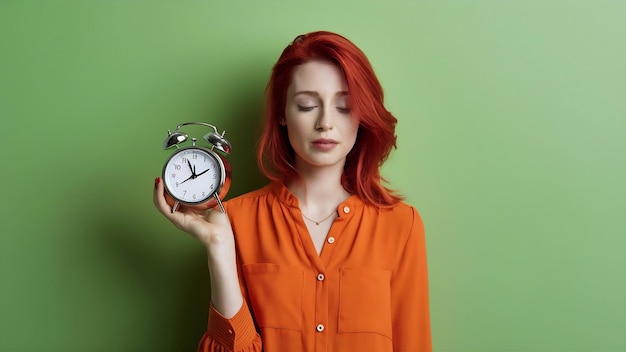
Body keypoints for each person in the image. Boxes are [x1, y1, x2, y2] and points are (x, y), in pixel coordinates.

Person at [153, 30, 431, 352]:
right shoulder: (235, 221)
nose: (325, 122)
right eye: (307, 105)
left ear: (363, 116)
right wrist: (218, 245)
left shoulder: (401, 225)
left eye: (344, 106)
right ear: (283, 114)